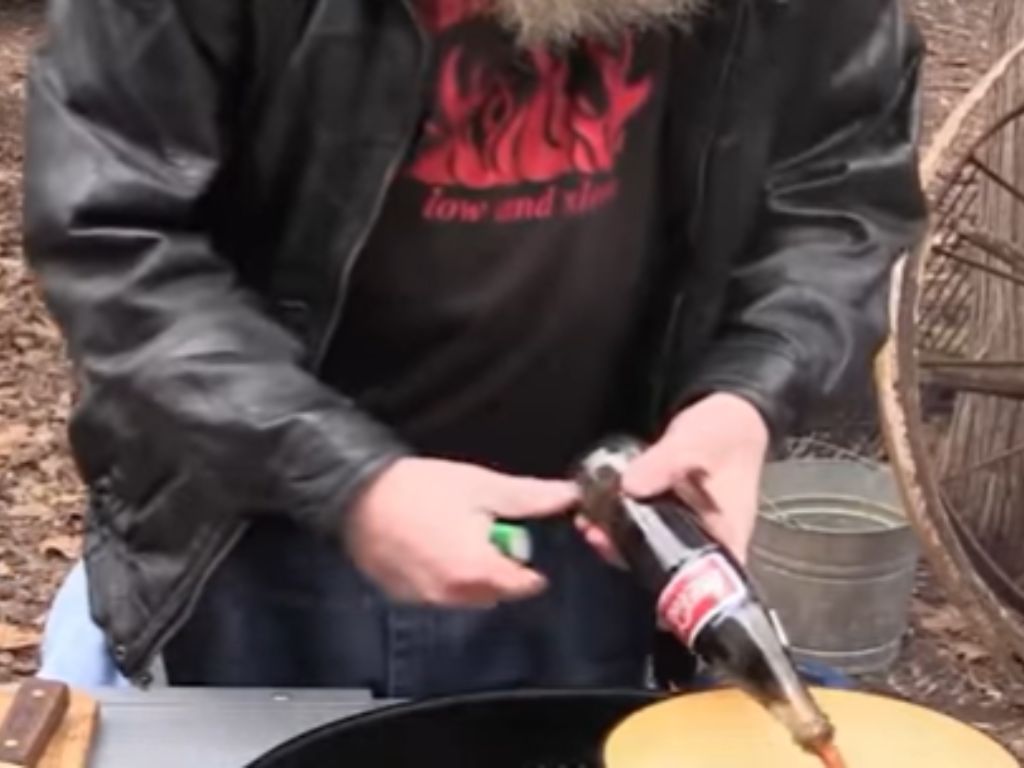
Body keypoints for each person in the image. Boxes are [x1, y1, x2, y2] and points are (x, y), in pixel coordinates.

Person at [23, 0, 926, 695]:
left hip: (609, 528)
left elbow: (838, 187)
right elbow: (116, 235)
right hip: (255, 531)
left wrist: (747, 390)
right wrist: (346, 477)